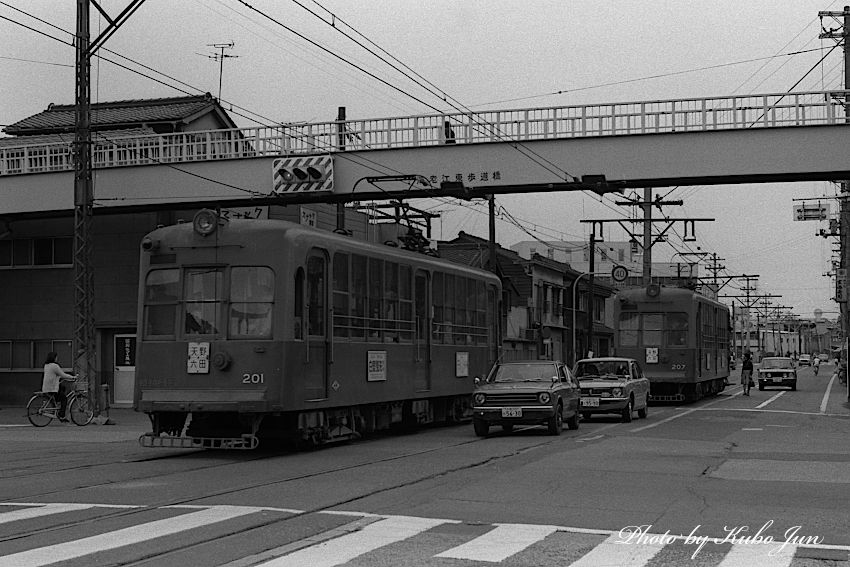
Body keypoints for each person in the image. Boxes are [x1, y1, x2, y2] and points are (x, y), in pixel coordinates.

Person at [42, 352, 75, 422]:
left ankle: (58, 404)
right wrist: (72, 377)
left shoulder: (46, 365)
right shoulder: (54, 366)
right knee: (64, 399)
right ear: (54, 358)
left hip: (46, 387)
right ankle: (62, 415)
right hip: (52, 388)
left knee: (62, 388)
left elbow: (55, 375)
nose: (57, 358)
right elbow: (62, 374)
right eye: (56, 357)